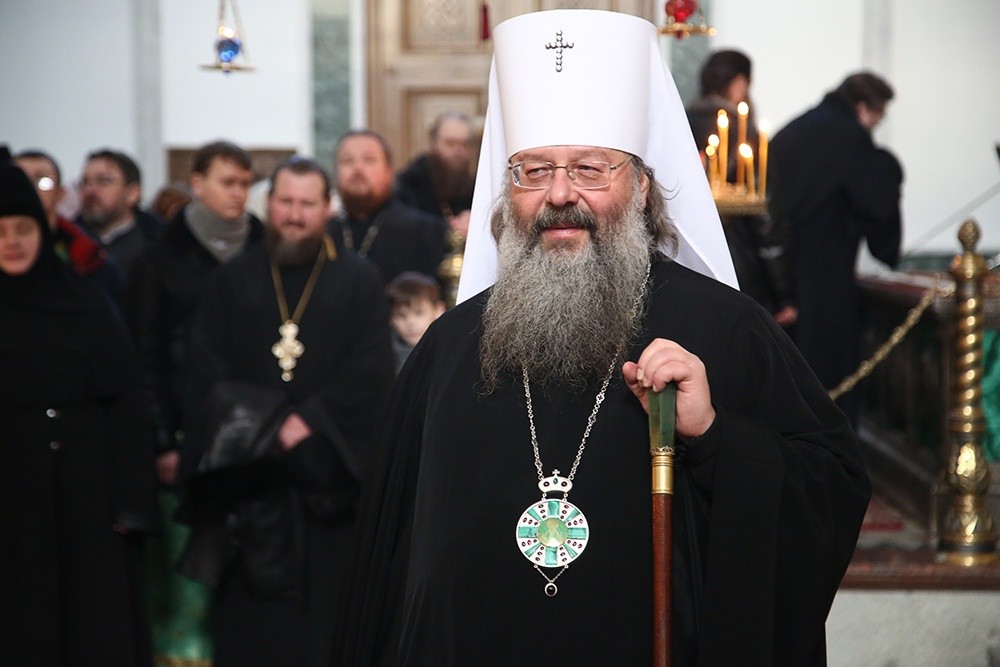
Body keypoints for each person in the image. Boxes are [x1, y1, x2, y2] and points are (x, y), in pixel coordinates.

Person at [338, 9, 870, 666]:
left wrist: (714, 437)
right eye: (534, 171)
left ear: (641, 186)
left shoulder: (725, 329)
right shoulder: (448, 350)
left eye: (590, 169)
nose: (561, 194)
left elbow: (830, 489)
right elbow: (384, 563)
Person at [178, 156, 394, 666]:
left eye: (306, 204)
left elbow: (370, 371)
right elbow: (206, 371)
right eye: (285, 202)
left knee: (326, 632)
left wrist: (309, 422)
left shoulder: (359, 280)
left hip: (327, 484)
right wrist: (269, 425)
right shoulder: (233, 279)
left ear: (327, 208)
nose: (294, 215)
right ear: (268, 204)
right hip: (253, 484)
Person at [0, 164, 157, 665]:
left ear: (43, 231)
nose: (12, 242)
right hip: (11, 500)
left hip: (87, 494)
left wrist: (130, 503)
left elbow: (127, 403)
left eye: (23, 229)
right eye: (0, 232)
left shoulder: (85, 303)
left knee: (92, 625)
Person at [126, 140, 263, 487]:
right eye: (228, 182)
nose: (238, 193)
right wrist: (163, 441)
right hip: (188, 422)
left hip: (258, 424)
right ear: (198, 184)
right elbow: (146, 355)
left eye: (245, 184)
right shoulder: (159, 259)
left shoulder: (265, 250)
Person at [768, 71, 903, 422]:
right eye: (878, 117)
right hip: (827, 276)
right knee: (830, 377)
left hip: (778, 276)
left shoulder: (794, 129)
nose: (875, 126)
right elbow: (876, 203)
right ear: (863, 108)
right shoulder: (851, 138)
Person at [685, 50, 796, 324]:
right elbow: (764, 217)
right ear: (739, 82)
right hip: (738, 262)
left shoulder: (680, 123)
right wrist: (782, 294)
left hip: (687, 258)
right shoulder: (743, 133)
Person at [329, 129, 447, 285]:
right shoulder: (324, 234)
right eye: (347, 160)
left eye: (369, 160)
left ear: (389, 171)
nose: (357, 168)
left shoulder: (426, 231)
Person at [14, 149, 122, 295]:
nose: (29, 188)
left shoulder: (92, 258)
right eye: (19, 179)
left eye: (43, 181)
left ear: (60, 193)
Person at [76, 148, 165, 285]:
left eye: (104, 181)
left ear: (132, 193)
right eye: (85, 182)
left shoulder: (159, 248)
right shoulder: (66, 243)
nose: (90, 190)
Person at [395, 110, 476, 240]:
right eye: (450, 143)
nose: (458, 151)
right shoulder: (409, 183)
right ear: (432, 143)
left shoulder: (475, 186)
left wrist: (475, 219)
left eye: (465, 145)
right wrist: (448, 226)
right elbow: (401, 222)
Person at [385, 271, 446, 373]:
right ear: (391, 319)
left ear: (439, 311)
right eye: (401, 315)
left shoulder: (450, 352)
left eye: (419, 313)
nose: (411, 322)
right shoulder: (383, 360)